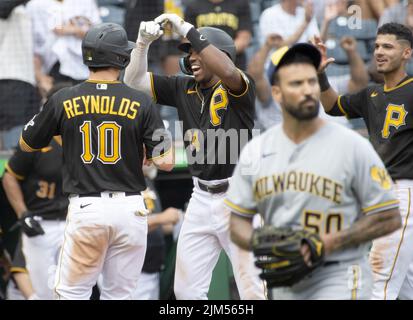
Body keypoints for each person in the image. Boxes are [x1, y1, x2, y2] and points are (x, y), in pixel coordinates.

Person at [226, 43, 402, 300]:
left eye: (311, 81)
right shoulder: (257, 151)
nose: (307, 90)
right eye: (296, 84)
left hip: (340, 275)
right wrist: (259, 242)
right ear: (277, 93)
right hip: (288, 280)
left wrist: (327, 243)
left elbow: (389, 217)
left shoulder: (351, 145)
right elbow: (237, 223)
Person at [19, 22, 174, 300]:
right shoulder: (141, 101)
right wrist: (146, 151)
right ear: (120, 58)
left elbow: (26, 143)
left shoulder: (63, 98)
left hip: (87, 208)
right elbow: (167, 162)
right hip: (130, 210)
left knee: (71, 294)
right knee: (121, 296)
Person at [124, 14, 266, 300]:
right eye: (188, 53)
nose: (191, 58)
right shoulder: (183, 87)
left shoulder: (239, 85)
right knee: (186, 291)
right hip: (200, 197)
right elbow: (134, 82)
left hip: (238, 198)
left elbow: (228, 72)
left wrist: (188, 29)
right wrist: (142, 45)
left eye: (196, 51)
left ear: (219, 54)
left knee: (252, 289)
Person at [313, 22, 413, 300]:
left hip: (403, 194)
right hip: (383, 193)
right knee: (405, 288)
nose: (379, 51)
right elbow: (332, 105)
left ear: (407, 53)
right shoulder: (372, 93)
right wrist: (321, 76)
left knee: (377, 282)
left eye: (388, 46)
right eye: (377, 46)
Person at [2, 136, 67, 299]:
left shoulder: (85, 138)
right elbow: (9, 177)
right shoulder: (37, 139)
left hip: (75, 220)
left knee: (84, 282)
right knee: (43, 289)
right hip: (40, 222)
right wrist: (22, 213)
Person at [184, 0, 253, 70]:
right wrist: (210, 54)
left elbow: (244, 39)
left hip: (233, 61)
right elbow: (188, 39)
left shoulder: (240, 3)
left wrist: (218, 55)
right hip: (202, 61)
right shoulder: (193, 5)